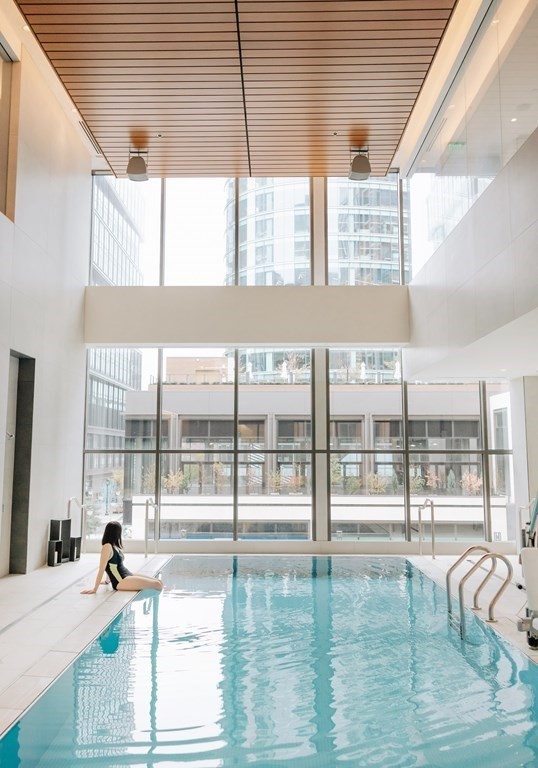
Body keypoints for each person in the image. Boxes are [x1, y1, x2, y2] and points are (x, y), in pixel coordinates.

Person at [81, 520, 163, 594]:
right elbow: (102, 568)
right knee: (158, 585)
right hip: (121, 581)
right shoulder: (107, 547)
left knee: (159, 582)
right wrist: (94, 589)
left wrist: (107, 581)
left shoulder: (115, 546)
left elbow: (110, 565)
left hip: (127, 575)